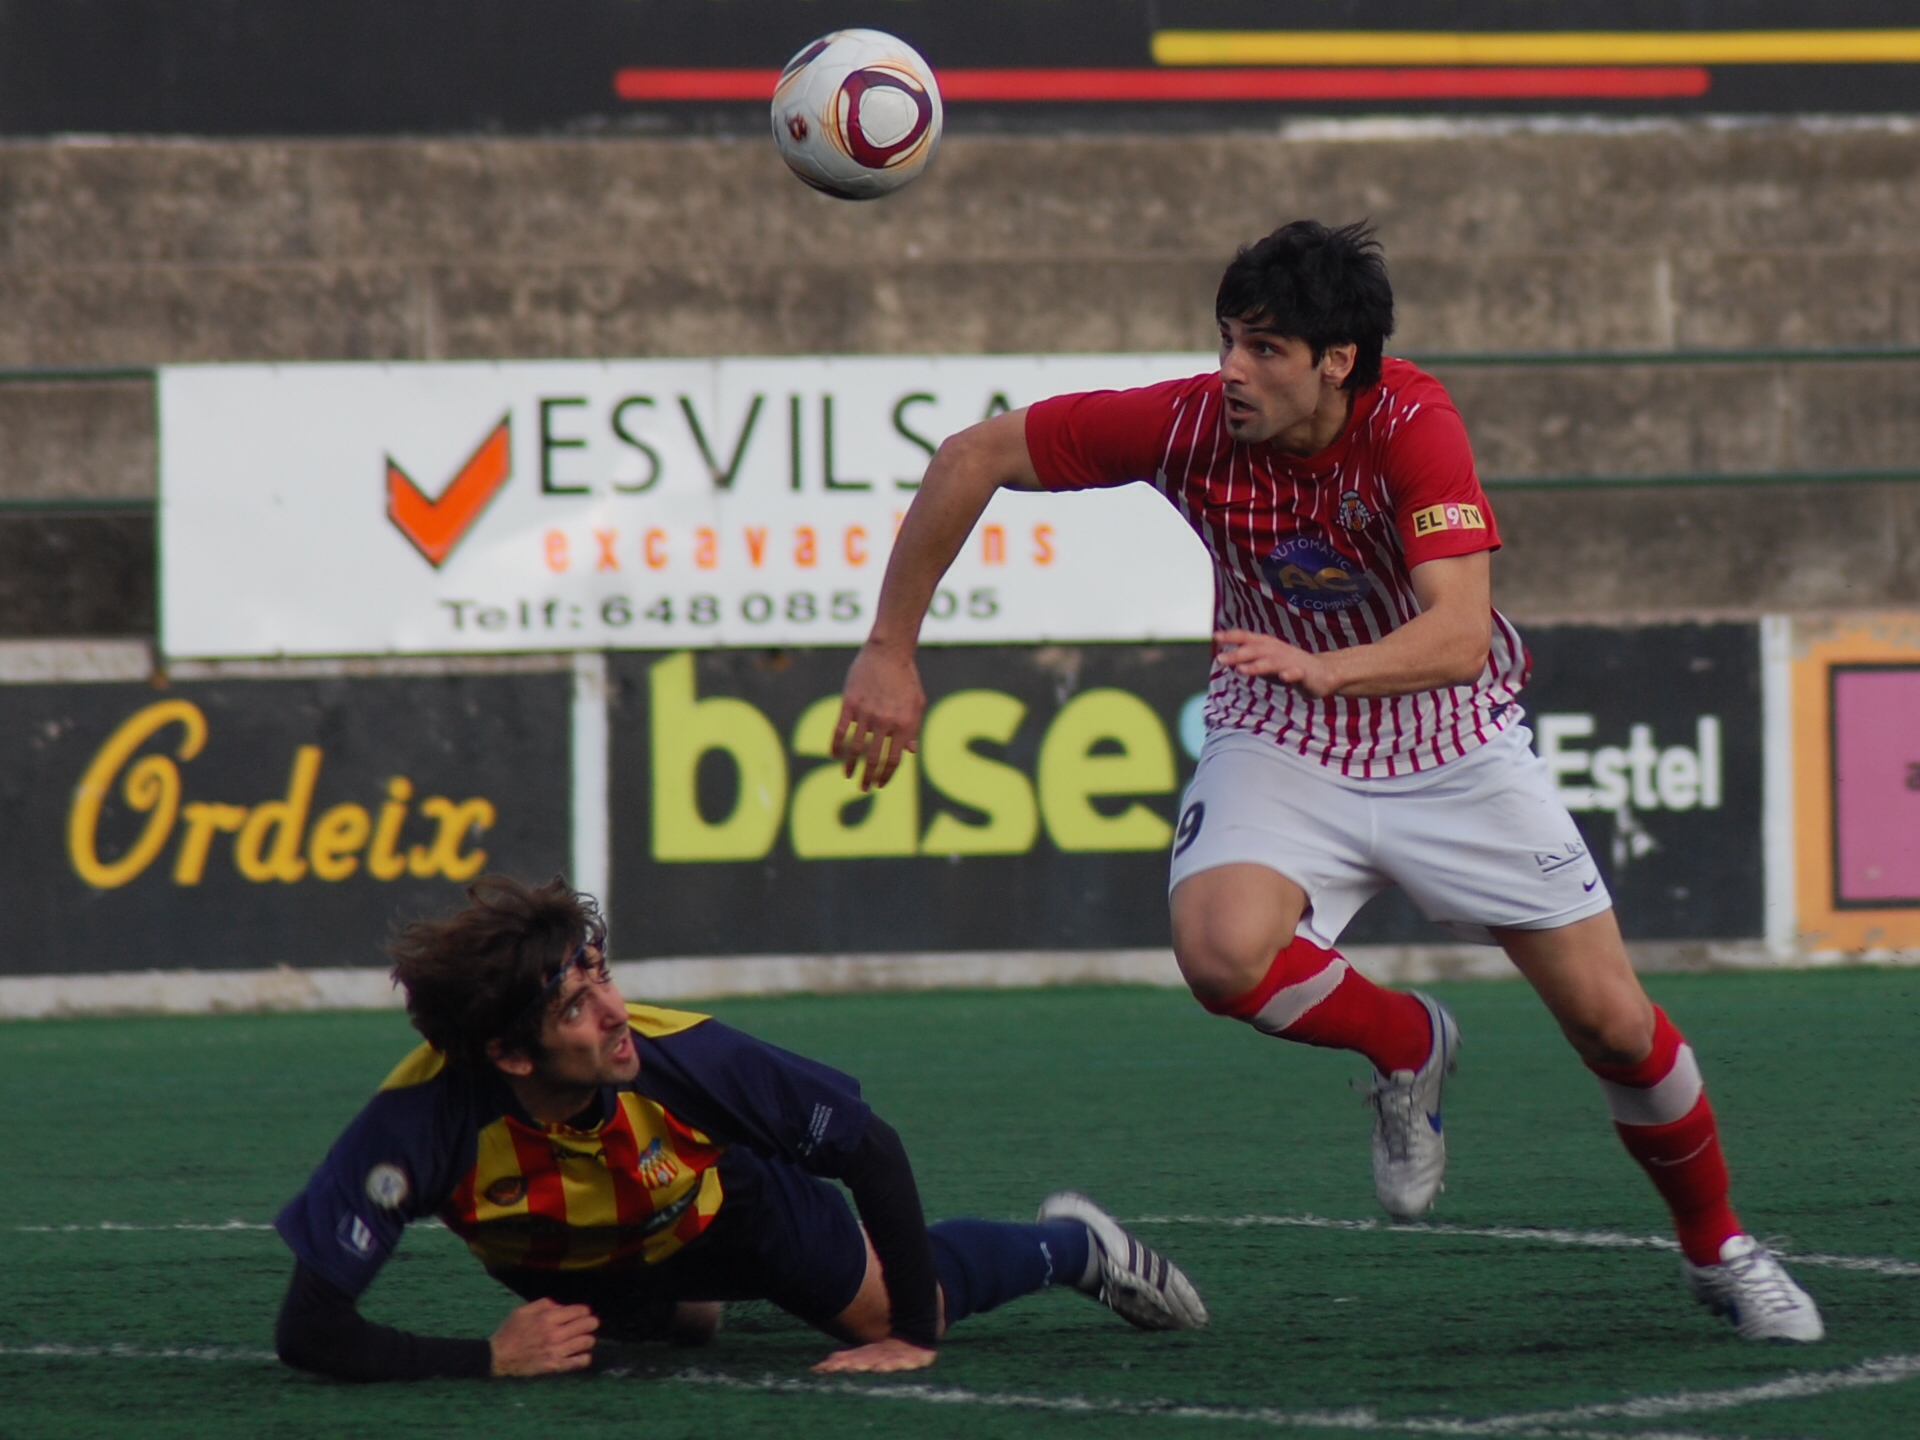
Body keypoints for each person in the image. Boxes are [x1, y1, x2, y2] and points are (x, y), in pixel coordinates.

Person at [832, 219, 1822, 1343]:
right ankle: (1404, 1042)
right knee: (1219, 954)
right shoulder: (1190, 425)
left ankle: (1721, 1249)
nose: (1232, 372)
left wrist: (1330, 663)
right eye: (1227, 342)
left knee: (1612, 1025)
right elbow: (972, 457)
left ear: (1336, 361)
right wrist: (890, 649)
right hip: (1281, 728)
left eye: (1264, 350)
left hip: (1448, 738)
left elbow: (1455, 637)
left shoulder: (1415, 425)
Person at [272, 875, 1207, 1381]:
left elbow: (867, 1147)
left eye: (604, 974)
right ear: (509, 1055)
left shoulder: (684, 1059)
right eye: (576, 1006)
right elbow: (310, 1331)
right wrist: (487, 1359)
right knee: (668, 1335)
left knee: (883, 1307)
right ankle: (681, 1309)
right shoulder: (416, 1123)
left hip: (729, 1210)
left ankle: (1072, 1246)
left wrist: (915, 1338)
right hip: (573, 1258)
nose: (614, 1010)